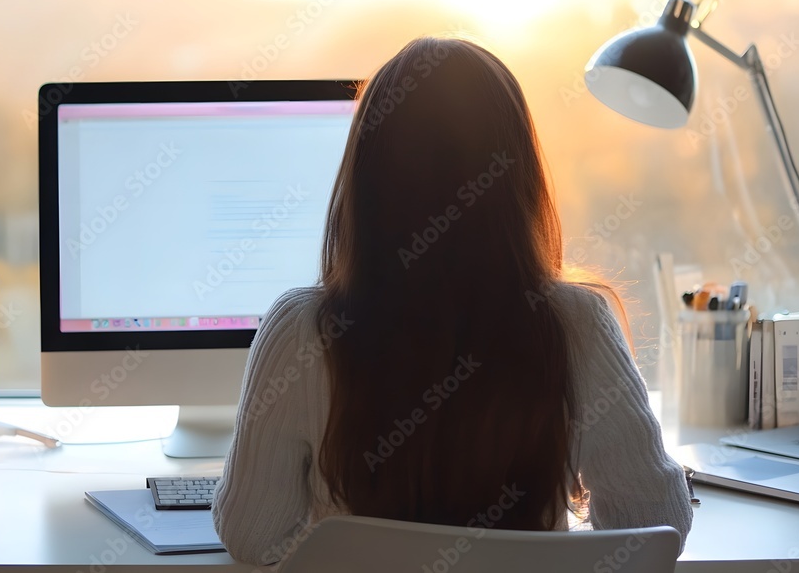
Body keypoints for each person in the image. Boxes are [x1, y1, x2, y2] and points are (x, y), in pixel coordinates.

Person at [212, 37, 693, 566]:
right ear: (517, 177)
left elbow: (252, 534)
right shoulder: (575, 323)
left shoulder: (302, 331)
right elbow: (655, 515)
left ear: (364, 180)